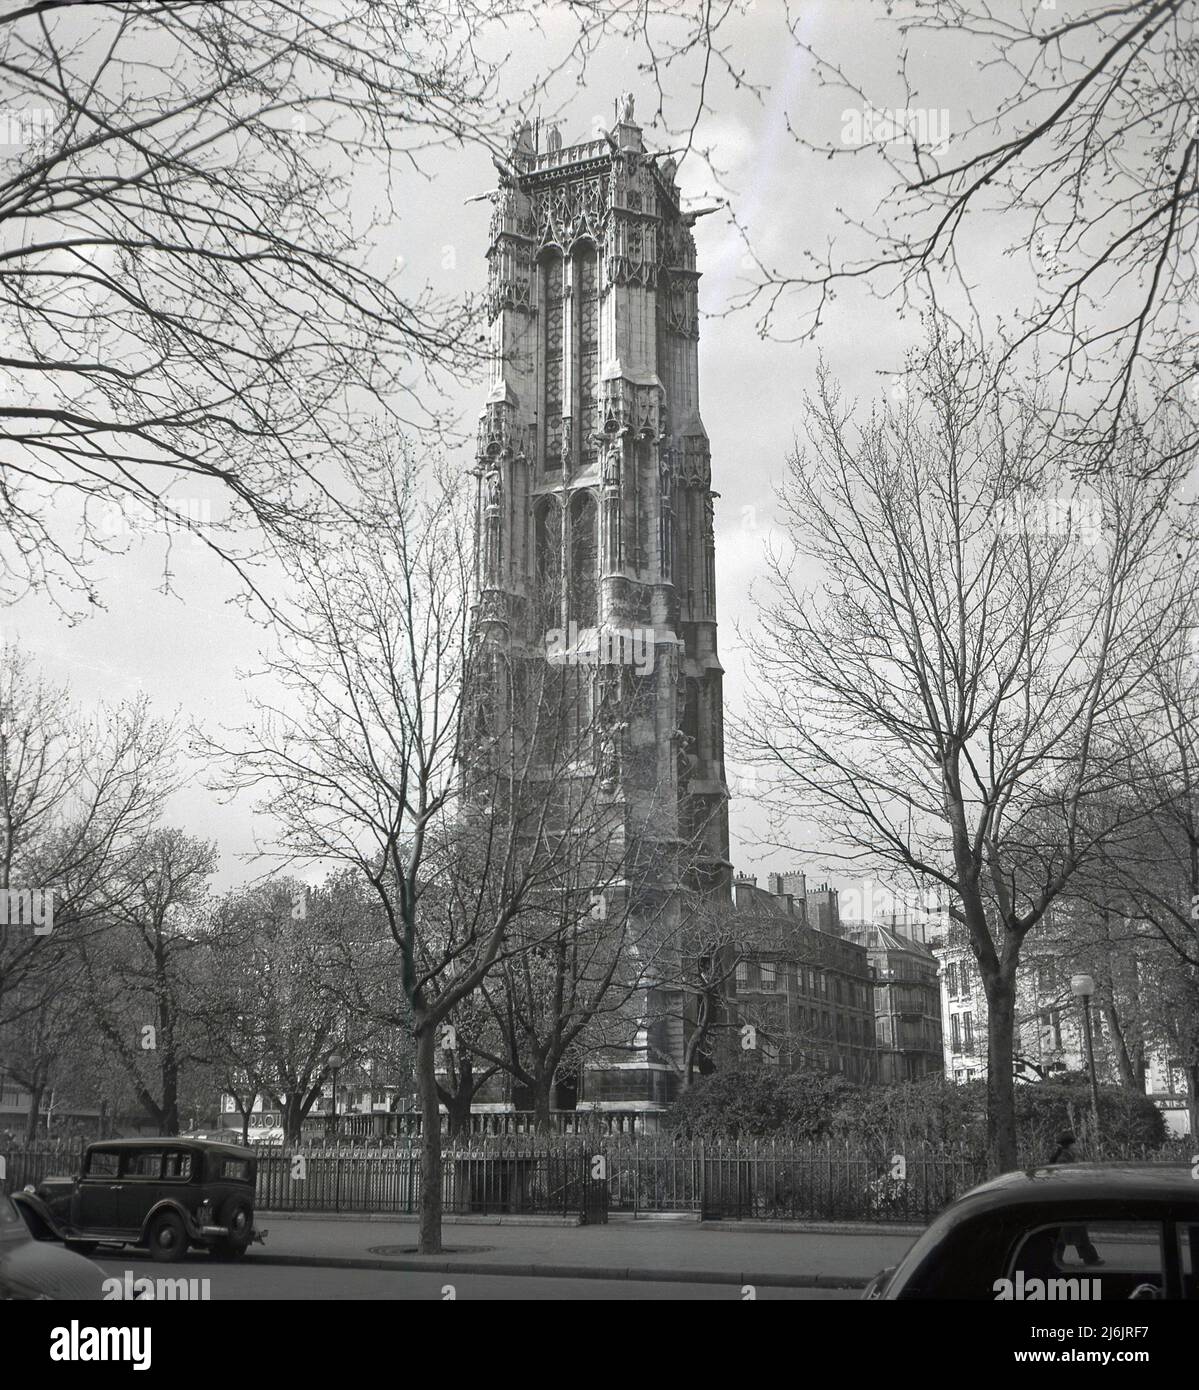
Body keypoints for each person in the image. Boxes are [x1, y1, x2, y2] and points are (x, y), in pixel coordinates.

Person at [1047, 1131, 1103, 1266]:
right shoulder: (1064, 1159)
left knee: (1068, 1230)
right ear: (1070, 1145)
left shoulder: (1065, 1157)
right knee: (1075, 1229)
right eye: (1074, 1144)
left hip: (1065, 1199)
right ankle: (1089, 1258)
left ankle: (1059, 1258)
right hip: (1066, 1198)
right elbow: (1066, 1178)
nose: (1077, 1146)